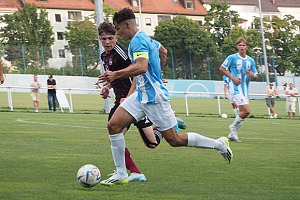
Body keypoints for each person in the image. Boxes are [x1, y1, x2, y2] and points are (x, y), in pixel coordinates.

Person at [99, 8, 232, 186]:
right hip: (140, 95)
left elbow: (141, 67)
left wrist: (115, 75)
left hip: (154, 98)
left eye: (118, 28)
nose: (118, 33)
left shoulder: (137, 41)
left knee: (175, 140)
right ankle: (121, 173)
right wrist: (157, 73)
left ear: (127, 24)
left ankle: (219, 144)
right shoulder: (148, 39)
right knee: (113, 125)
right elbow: (164, 52)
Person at [98, 22, 165, 182]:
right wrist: (108, 86)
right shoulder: (104, 55)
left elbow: (136, 72)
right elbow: (117, 76)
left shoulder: (121, 52)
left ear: (116, 37)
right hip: (121, 102)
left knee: (152, 143)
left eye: (111, 38)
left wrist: (128, 97)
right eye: (104, 39)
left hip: (134, 100)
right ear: (100, 39)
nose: (108, 42)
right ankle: (133, 172)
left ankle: (167, 124)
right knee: (114, 134)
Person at [219, 37, 258, 142]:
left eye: (243, 45)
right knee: (247, 110)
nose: (242, 47)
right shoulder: (232, 57)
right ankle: (232, 127)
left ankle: (232, 135)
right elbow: (222, 68)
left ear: (247, 47)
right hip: (235, 88)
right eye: (239, 45)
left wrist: (253, 76)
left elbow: (256, 75)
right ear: (237, 47)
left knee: (242, 114)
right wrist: (233, 78)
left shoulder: (250, 60)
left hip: (245, 89)